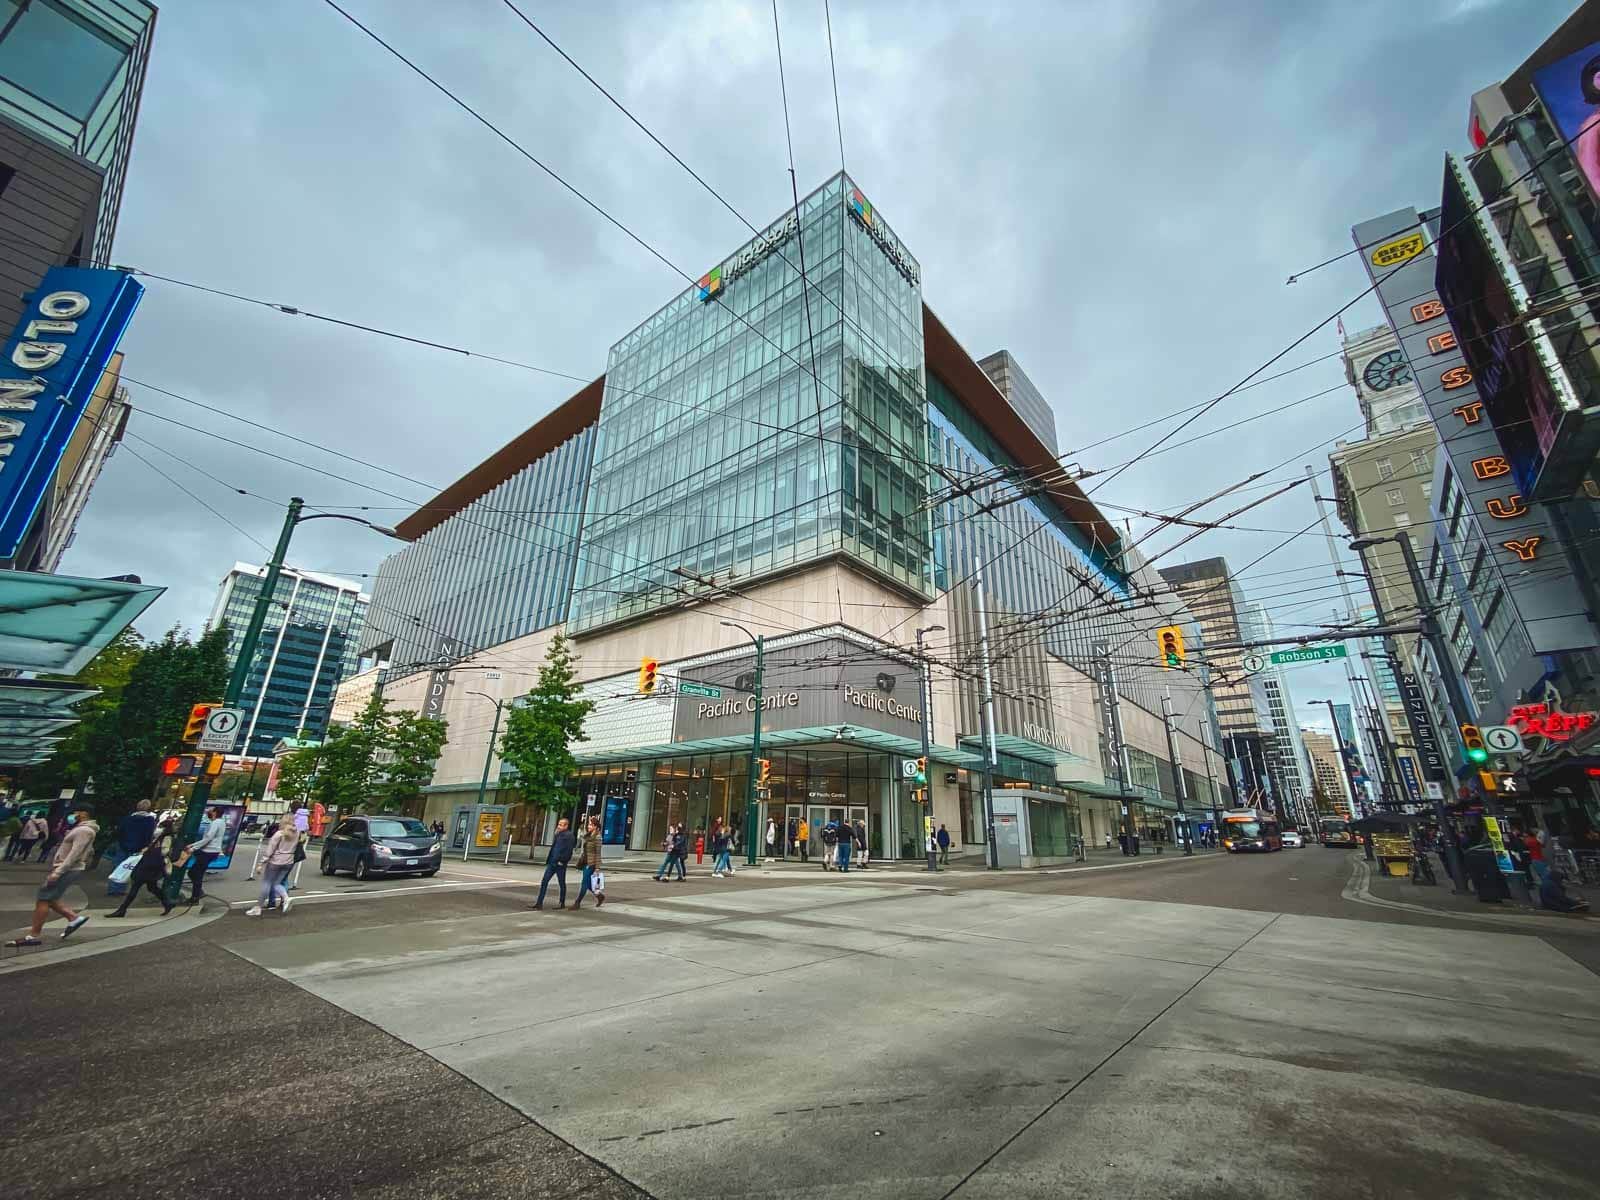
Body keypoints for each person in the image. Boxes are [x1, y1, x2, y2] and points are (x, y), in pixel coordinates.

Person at [7, 801, 98, 946]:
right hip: (69, 868)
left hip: (67, 869)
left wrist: (58, 872)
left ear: (83, 813)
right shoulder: (83, 830)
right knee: (50, 897)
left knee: (43, 898)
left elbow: (75, 854)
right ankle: (73, 918)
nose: (72, 815)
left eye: (75, 813)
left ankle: (34, 935)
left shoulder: (84, 831)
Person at [107, 819, 176, 918]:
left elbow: (164, 851)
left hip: (150, 865)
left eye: (160, 827)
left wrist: (151, 850)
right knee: (152, 887)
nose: (158, 829)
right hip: (150, 866)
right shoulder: (159, 838)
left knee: (136, 886)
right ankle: (167, 903)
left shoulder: (166, 838)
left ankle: (122, 910)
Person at [245, 815, 299, 917]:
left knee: (267, 883)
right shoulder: (297, 833)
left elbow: (270, 850)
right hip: (289, 862)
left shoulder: (279, 834)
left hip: (275, 861)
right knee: (277, 883)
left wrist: (261, 863)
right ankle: (286, 898)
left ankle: (258, 908)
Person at [181, 806, 228, 904]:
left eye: (211, 811)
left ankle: (195, 897)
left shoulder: (215, 823)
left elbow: (208, 838)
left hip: (208, 851)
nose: (209, 813)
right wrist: (193, 845)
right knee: (196, 873)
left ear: (215, 812)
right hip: (212, 851)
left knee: (195, 873)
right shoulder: (221, 822)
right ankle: (197, 893)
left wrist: (193, 848)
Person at [534, 817, 575, 909]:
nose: (559, 826)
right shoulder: (558, 834)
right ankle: (539, 903)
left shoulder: (569, 836)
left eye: (561, 825)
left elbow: (569, 851)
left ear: (566, 826)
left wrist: (563, 861)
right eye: (559, 824)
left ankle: (562, 902)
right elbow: (554, 848)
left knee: (561, 883)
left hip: (560, 863)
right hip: (552, 862)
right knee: (544, 881)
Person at [573, 817, 604, 908]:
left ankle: (577, 902)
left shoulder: (598, 837)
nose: (588, 826)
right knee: (589, 884)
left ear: (595, 826)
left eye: (590, 824)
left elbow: (598, 853)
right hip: (585, 862)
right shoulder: (589, 835)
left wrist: (597, 868)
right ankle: (600, 896)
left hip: (591, 863)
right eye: (589, 824)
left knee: (584, 883)